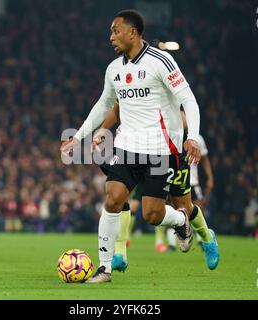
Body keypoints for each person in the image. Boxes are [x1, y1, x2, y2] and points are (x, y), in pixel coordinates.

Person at [61, 10, 201, 283]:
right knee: (113, 198)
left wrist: (192, 135)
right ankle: (104, 268)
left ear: (132, 32)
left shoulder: (161, 61)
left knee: (152, 214)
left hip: (160, 150)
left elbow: (189, 100)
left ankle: (181, 221)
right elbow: (103, 103)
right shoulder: (114, 68)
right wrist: (78, 136)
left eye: (115, 31)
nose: (111, 37)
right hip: (126, 147)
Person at [95, 102, 219, 271]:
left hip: (172, 155)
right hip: (139, 153)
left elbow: (184, 118)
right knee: (121, 196)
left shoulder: (165, 90)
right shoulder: (136, 88)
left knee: (183, 206)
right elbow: (119, 106)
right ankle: (120, 253)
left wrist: (183, 130)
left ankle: (207, 238)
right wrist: (104, 129)